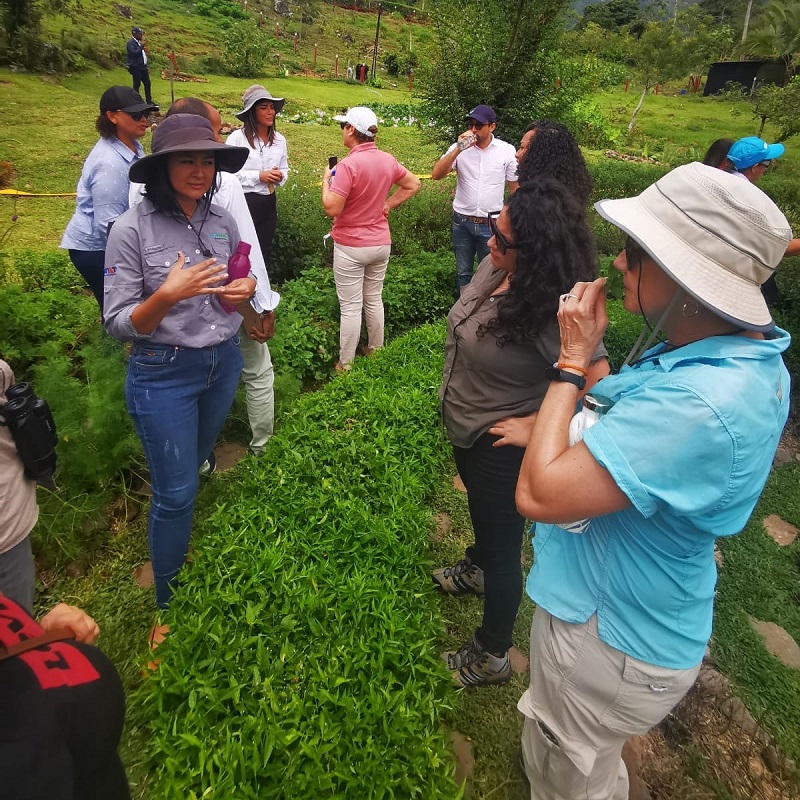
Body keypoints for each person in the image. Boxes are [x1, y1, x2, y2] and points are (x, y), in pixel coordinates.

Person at [513, 162, 791, 799]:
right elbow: (624, 412)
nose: (616, 262)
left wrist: (570, 361)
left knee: (564, 777)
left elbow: (540, 494)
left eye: (635, 252)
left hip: (604, 639)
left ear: (686, 274)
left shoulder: (699, 406)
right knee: (592, 764)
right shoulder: (739, 355)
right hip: (647, 618)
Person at [434, 179, 608, 688]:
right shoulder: (498, 268)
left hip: (500, 446)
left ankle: (492, 654)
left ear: (535, 255)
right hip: (469, 427)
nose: (491, 242)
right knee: (485, 524)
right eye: (494, 229)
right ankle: (476, 566)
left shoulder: (553, 313)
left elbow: (597, 384)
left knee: (505, 548)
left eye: (502, 240)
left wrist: (538, 425)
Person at [103, 114, 253, 614]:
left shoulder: (222, 221)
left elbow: (229, 293)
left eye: (207, 160)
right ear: (161, 167)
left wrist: (243, 291)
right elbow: (118, 321)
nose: (199, 171)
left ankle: (176, 539)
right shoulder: (131, 230)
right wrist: (165, 296)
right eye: (186, 160)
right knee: (176, 491)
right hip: (163, 373)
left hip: (222, 364)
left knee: (192, 465)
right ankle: (166, 602)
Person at [129, 98, 280, 460]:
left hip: (167, 324)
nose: (204, 168)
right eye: (213, 132)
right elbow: (246, 250)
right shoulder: (221, 183)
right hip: (226, 304)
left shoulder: (139, 188)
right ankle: (261, 447)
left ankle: (200, 459)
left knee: (189, 390)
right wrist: (259, 307)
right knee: (257, 369)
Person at [320, 106, 421, 371]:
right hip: (380, 243)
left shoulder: (347, 166)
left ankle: (346, 364)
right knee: (374, 298)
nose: (342, 130)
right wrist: (387, 205)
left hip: (351, 246)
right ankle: (376, 350)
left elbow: (332, 208)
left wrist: (325, 183)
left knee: (351, 307)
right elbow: (413, 184)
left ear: (351, 130)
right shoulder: (387, 159)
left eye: (343, 126)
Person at [60, 86, 156, 314]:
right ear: (112, 116)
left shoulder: (131, 145)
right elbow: (108, 224)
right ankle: (112, 348)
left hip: (114, 241)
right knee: (117, 309)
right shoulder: (109, 163)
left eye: (146, 114)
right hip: (97, 249)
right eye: (135, 115)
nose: (144, 119)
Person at [430, 104, 518, 294]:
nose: (473, 130)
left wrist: (511, 220)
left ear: (492, 127)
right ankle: (463, 312)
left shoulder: (506, 150)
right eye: (471, 125)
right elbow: (436, 174)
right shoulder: (459, 148)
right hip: (462, 221)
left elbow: (514, 189)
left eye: (479, 125)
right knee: (463, 273)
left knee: (493, 272)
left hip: (492, 223)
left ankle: (487, 313)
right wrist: (458, 149)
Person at [227, 85, 289, 270]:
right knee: (241, 249)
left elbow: (285, 168)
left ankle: (259, 291)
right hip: (245, 202)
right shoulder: (236, 139)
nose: (270, 112)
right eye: (264, 108)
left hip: (268, 202)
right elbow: (228, 175)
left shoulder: (279, 140)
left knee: (263, 249)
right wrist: (258, 176)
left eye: (271, 107)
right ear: (251, 113)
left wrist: (280, 176)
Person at [516, 121, 593, 207]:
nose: (517, 154)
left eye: (522, 147)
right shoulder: (573, 203)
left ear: (540, 155)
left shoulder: (522, 206)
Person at [126, 26, 155, 107]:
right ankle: (136, 102)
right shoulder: (130, 43)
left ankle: (149, 101)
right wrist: (141, 46)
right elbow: (134, 53)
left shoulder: (138, 43)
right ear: (135, 34)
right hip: (135, 67)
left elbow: (142, 56)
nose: (141, 35)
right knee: (137, 85)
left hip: (142, 67)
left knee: (147, 83)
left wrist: (145, 65)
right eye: (140, 34)